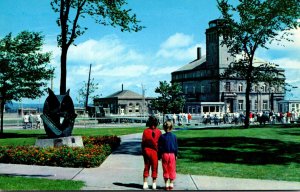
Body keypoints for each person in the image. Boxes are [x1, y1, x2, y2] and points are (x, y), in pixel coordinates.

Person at [141, 115, 162, 190]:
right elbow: (160, 144)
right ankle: (154, 183)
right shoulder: (159, 132)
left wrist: (143, 151)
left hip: (146, 151)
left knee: (146, 166)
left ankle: (145, 183)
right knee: (154, 167)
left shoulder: (145, 131)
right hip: (155, 152)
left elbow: (143, 142)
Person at [158, 121, 178, 191]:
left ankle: (166, 183)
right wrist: (176, 155)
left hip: (164, 154)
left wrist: (159, 156)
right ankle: (171, 183)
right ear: (171, 127)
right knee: (172, 169)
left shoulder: (162, 137)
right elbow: (176, 147)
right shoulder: (174, 136)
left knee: (165, 169)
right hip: (172, 154)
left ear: (164, 128)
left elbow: (159, 147)